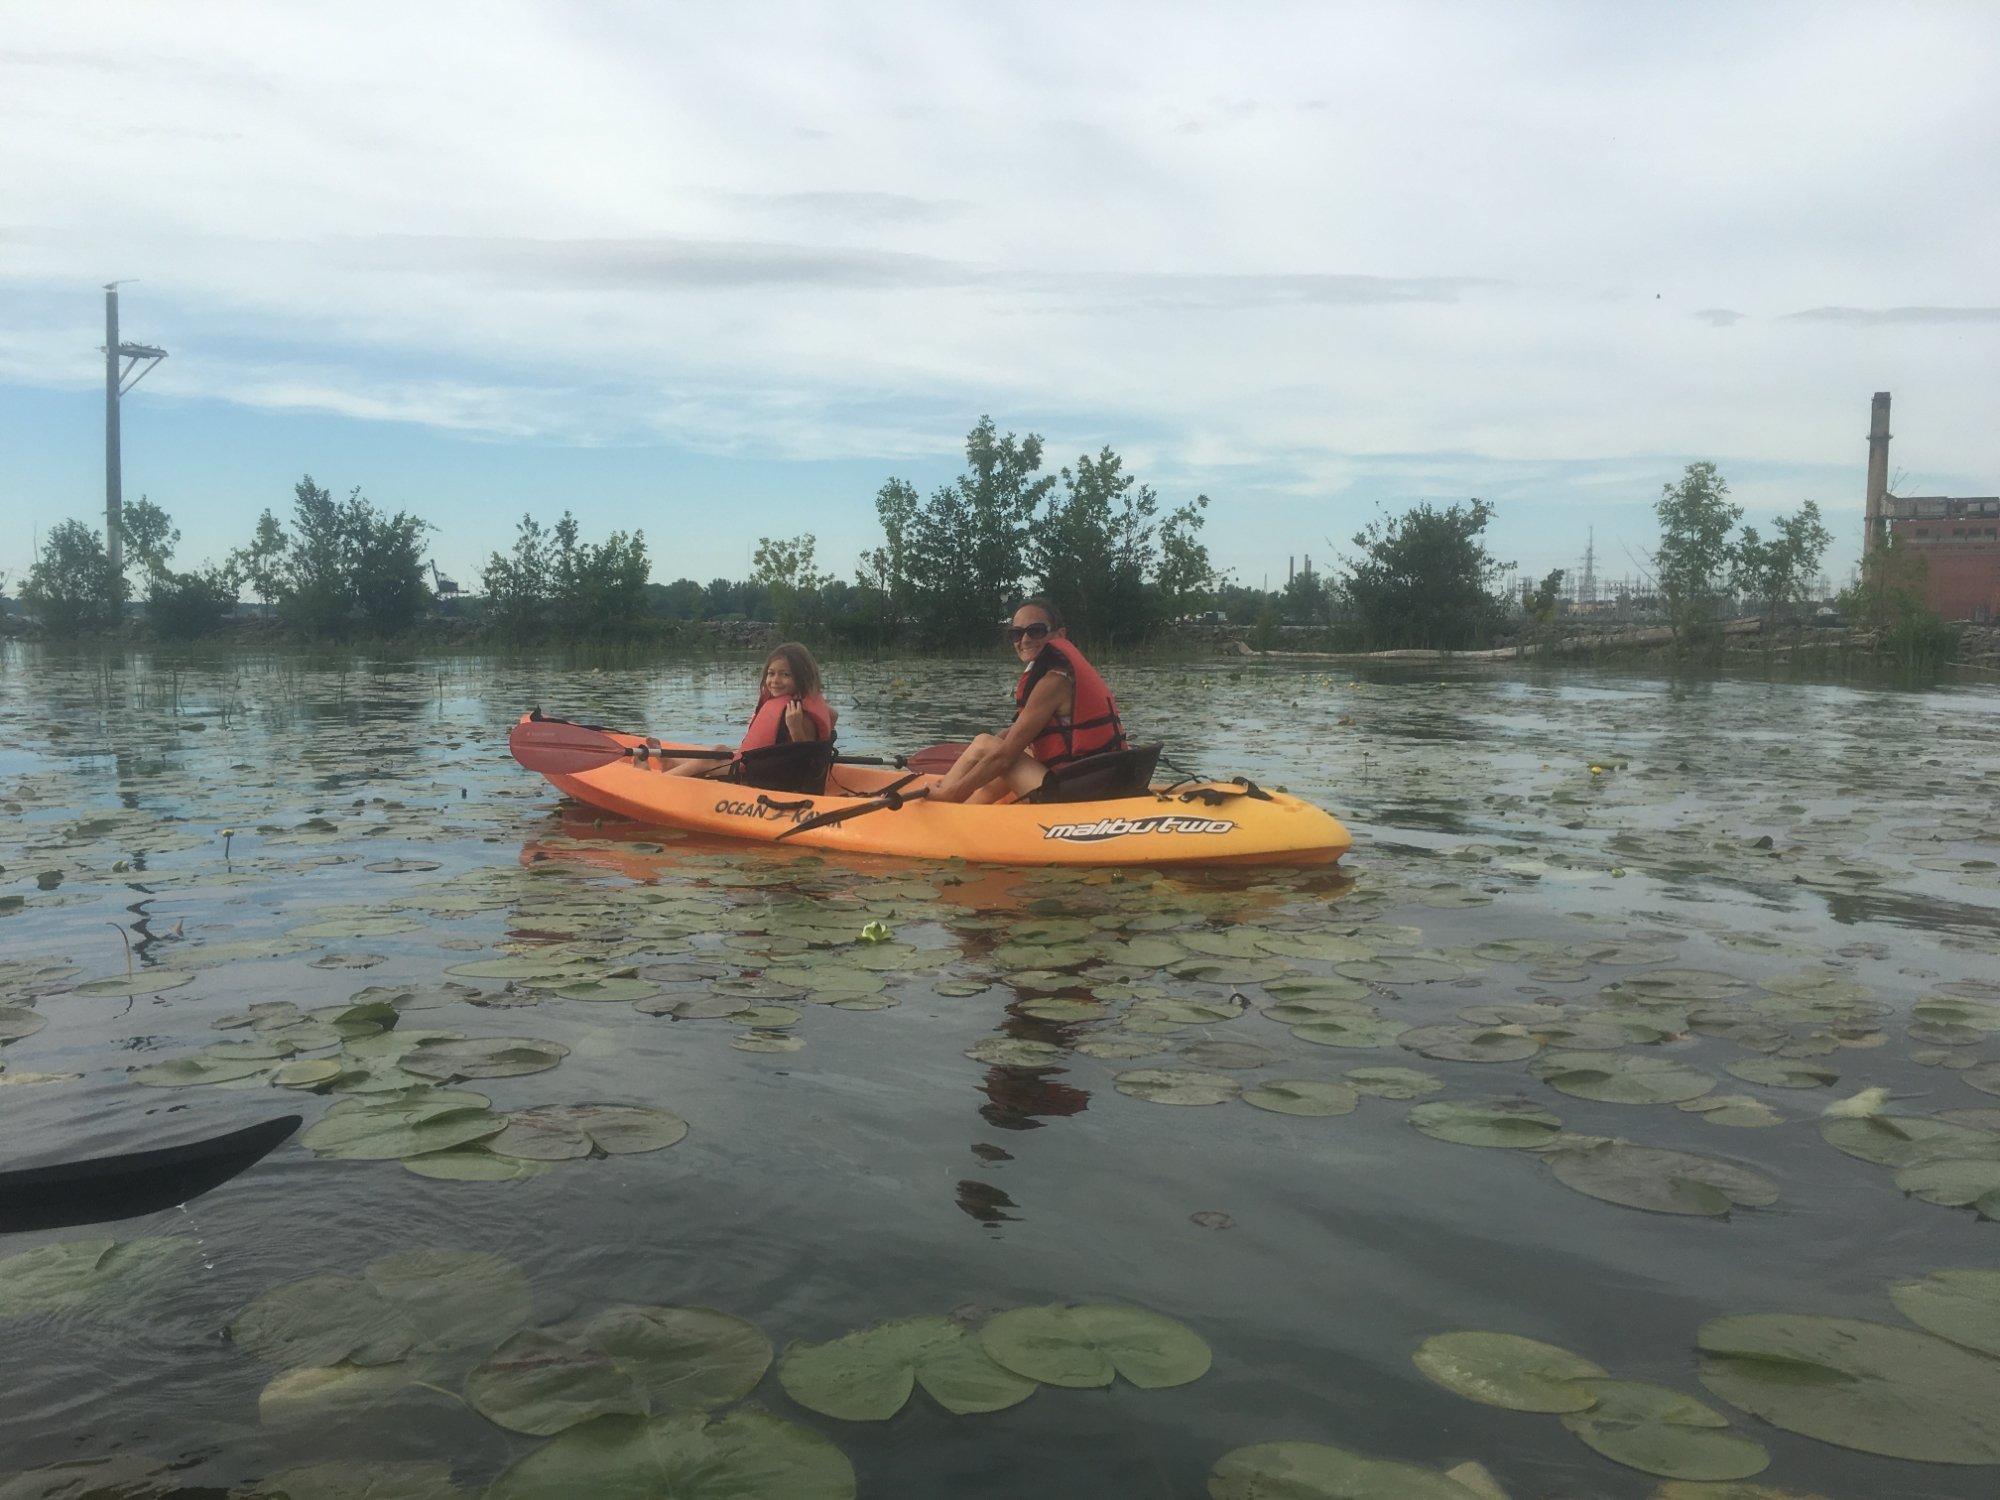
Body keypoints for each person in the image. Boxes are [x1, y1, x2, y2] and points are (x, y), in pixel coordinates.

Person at [929, 598, 1124, 804]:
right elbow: (1017, 733)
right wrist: (991, 751)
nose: (1024, 639)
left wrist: (961, 781)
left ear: (1060, 635)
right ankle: (963, 815)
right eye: (1016, 633)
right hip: (1097, 782)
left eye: (1036, 631)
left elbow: (1003, 758)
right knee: (999, 773)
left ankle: (944, 799)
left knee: (983, 744)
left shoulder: (1054, 682)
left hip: (1075, 796)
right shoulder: (1064, 675)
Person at [661, 642, 835, 776]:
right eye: (771, 673)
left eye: (785, 675)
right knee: (720, 750)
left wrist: (795, 728)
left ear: (803, 677)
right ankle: (673, 764)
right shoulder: (805, 704)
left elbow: (805, 760)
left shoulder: (796, 714)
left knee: (704, 764)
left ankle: (658, 784)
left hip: (766, 777)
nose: (775, 680)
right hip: (762, 767)